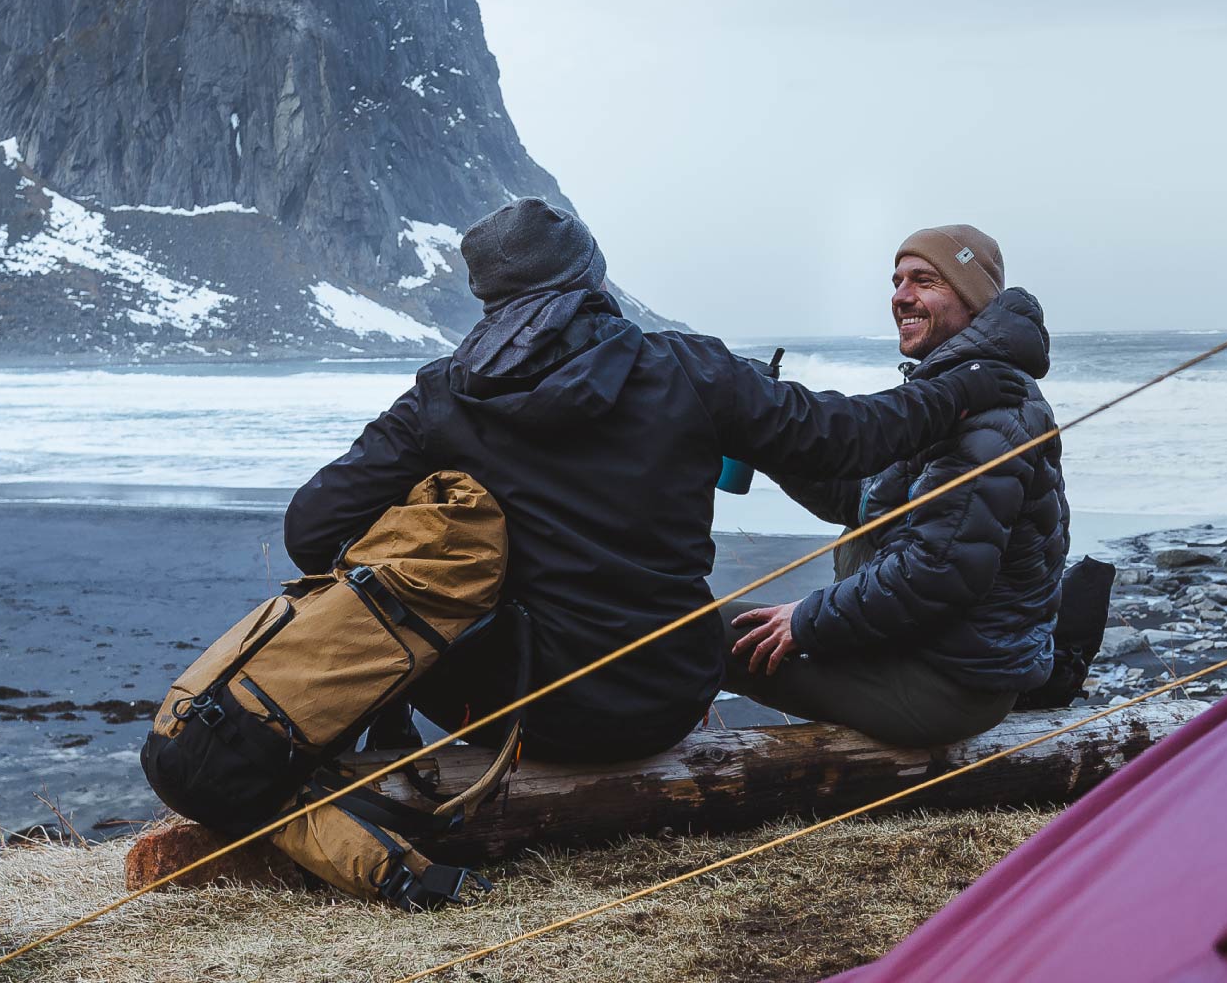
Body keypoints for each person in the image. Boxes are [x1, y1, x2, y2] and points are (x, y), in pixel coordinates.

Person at [284, 199, 1024, 763]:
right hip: (666, 697)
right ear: (592, 278)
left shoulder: (442, 399)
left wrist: (441, 551)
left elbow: (310, 530)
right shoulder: (689, 369)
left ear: (489, 294)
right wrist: (964, 387)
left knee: (408, 645)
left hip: (516, 707)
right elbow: (851, 438)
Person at [730, 224, 1070, 746]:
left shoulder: (993, 409)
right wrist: (765, 435)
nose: (901, 296)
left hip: (947, 684)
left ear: (972, 297)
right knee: (706, 626)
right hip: (916, 653)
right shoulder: (950, 390)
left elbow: (938, 569)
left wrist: (806, 619)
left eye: (924, 280)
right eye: (897, 280)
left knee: (699, 635)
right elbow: (865, 503)